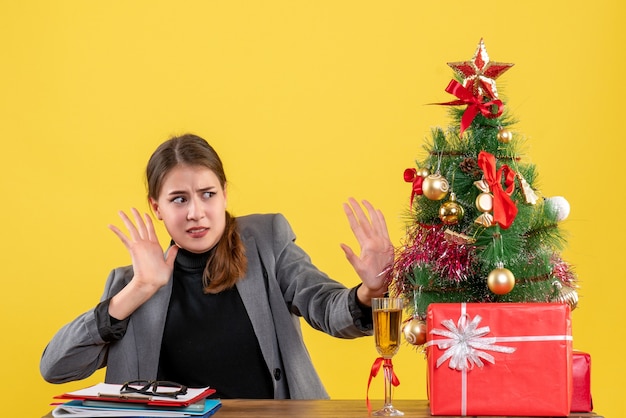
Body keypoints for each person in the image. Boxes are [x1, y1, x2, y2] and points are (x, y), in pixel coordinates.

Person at [40, 133, 394, 400]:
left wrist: (369, 292)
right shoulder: (131, 284)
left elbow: (325, 307)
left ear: (224, 193)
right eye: (178, 199)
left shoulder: (266, 241)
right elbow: (55, 368)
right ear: (156, 207)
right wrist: (139, 290)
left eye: (207, 194)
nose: (196, 213)